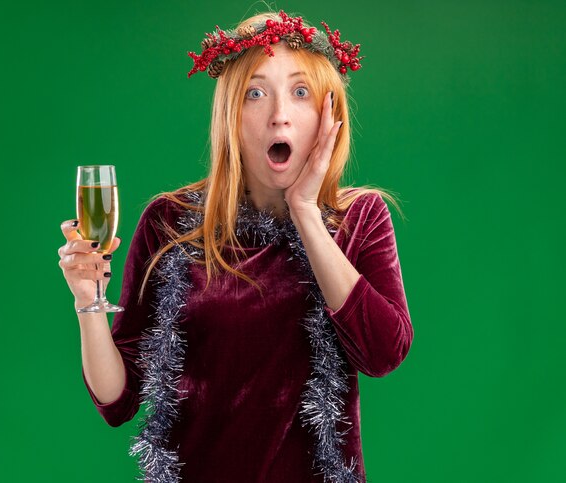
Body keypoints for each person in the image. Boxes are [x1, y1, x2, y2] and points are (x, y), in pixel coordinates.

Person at [58, 10, 413, 483]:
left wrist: (306, 210)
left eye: (300, 91)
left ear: (329, 116)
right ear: (231, 114)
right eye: (256, 92)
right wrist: (88, 304)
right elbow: (117, 400)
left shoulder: (360, 218)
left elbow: (383, 353)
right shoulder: (170, 222)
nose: (279, 114)